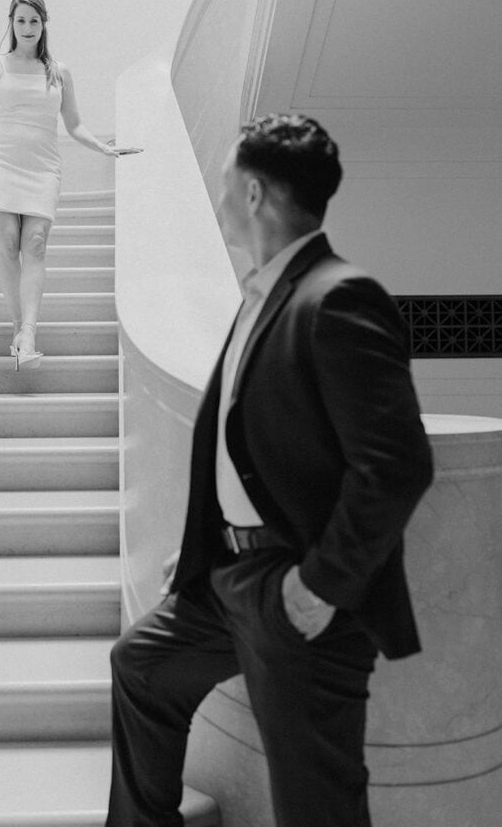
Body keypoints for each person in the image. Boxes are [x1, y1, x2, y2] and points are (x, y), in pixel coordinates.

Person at [106, 114, 434, 827]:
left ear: (253, 193)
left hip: (297, 594)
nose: (218, 195)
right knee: (141, 667)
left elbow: (397, 465)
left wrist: (318, 588)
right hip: (227, 583)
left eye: (225, 182)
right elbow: (246, 448)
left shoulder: (338, 296)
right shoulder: (259, 297)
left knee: (316, 803)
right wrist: (204, 548)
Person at [0, 0, 139, 369]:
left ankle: (29, 333)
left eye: (34, 21)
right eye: (21, 20)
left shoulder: (58, 71)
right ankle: (19, 331)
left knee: (37, 244)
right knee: (8, 242)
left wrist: (104, 148)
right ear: (11, 23)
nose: (27, 28)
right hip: (0, 160)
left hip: (42, 166)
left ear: (44, 24)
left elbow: (73, 123)